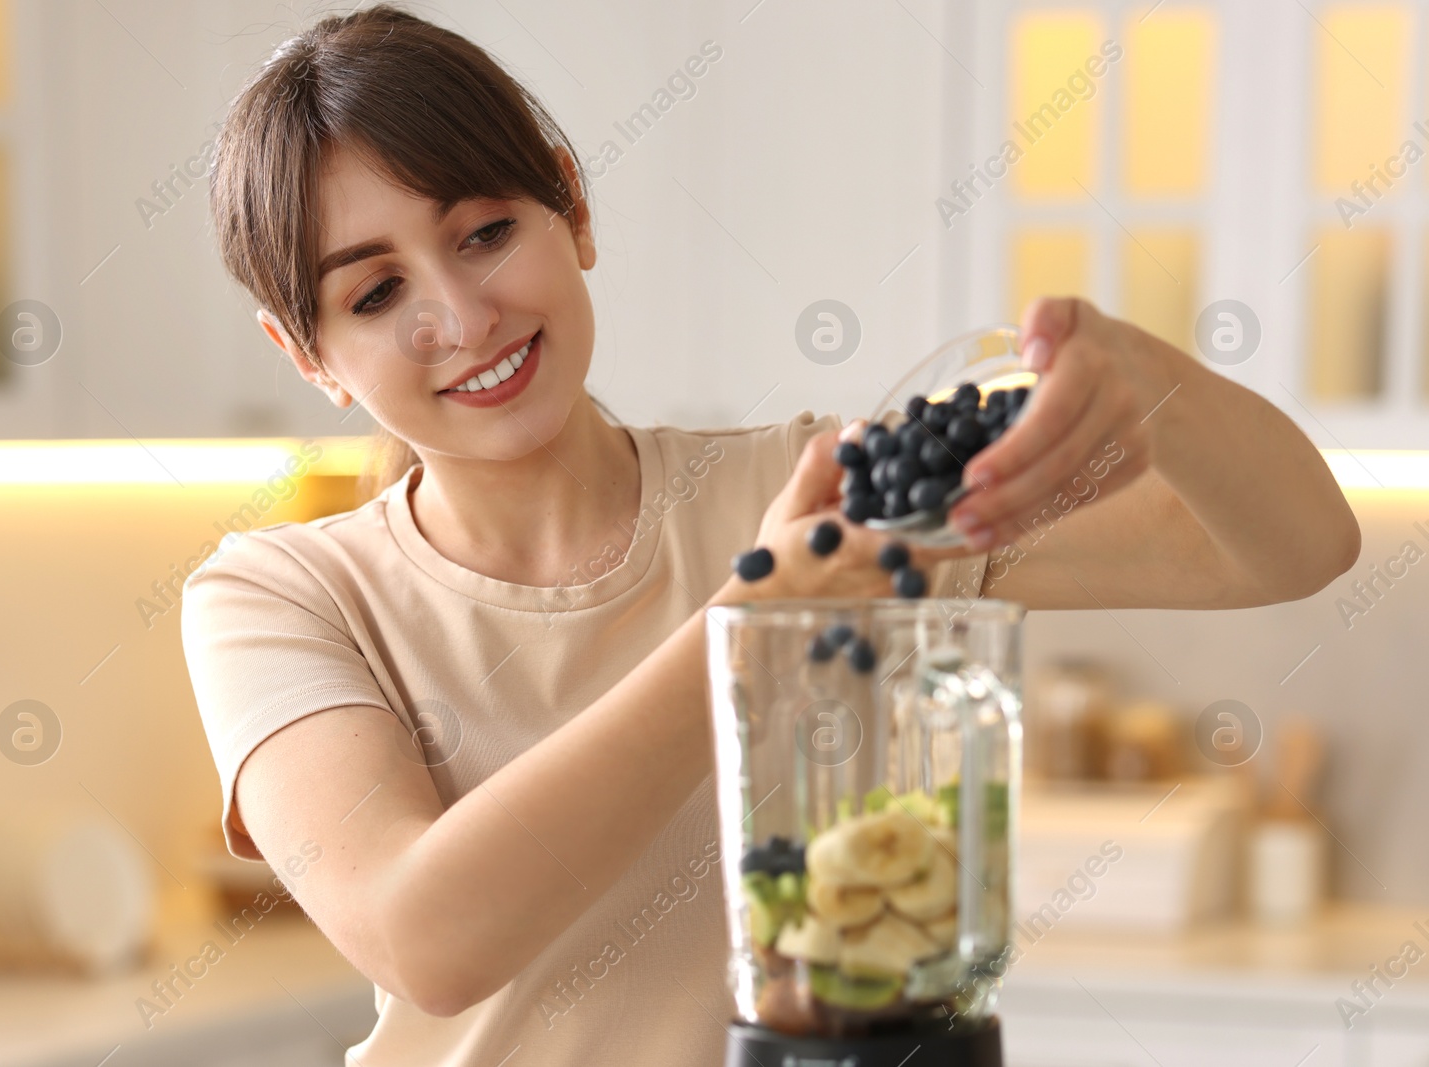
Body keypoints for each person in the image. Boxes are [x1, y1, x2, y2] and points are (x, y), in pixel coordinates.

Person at [180, 7, 1360, 1066]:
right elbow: (422, 936)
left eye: (486, 231)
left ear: (571, 207)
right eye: (374, 293)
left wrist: (1150, 379)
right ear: (306, 354)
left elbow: (1293, 544)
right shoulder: (279, 595)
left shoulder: (817, 488)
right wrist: (763, 614)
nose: (461, 313)